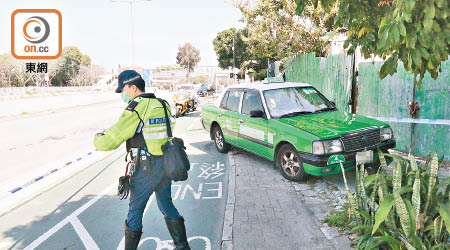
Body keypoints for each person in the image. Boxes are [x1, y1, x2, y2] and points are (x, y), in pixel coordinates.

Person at [94, 70, 190, 250]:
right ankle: (183, 247)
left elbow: (112, 139)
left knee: (135, 211)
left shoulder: (136, 107)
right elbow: (170, 126)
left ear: (133, 87)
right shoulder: (162, 104)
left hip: (145, 169)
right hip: (166, 166)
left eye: (124, 89)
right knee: (167, 205)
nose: (124, 94)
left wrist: (98, 137)